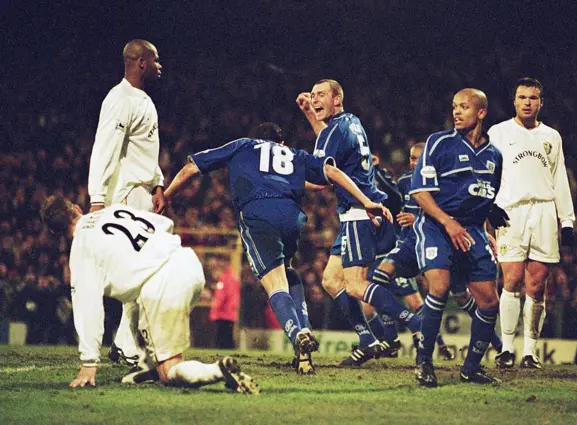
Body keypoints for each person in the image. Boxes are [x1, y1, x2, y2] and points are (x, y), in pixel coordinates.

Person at [164, 122, 393, 374]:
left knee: (274, 283)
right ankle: (304, 328)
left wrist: (166, 195)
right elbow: (330, 174)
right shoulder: (293, 154)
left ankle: (296, 335)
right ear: (280, 142)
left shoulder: (243, 145)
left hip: (258, 212)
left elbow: (191, 168)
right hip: (292, 216)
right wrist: (367, 201)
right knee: (288, 270)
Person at [39, 196, 258, 393]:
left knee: (171, 371)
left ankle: (219, 370)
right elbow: (164, 224)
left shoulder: (81, 245)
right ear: (77, 208)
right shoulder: (114, 210)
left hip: (160, 283)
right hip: (186, 262)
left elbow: (88, 305)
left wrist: (89, 362)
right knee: (135, 300)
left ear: (54, 232)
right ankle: (149, 365)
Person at [297, 80, 423, 366]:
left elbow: (324, 171)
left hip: (359, 212)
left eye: (321, 96)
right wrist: (309, 114)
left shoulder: (337, 128)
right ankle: (368, 340)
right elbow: (330, 149)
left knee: (356, 285)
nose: (315, 100)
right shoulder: (350, 123)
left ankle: (416, 326)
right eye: (312, 95)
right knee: (331, 280)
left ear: (337, 99)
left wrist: (289, 182)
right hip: (359, 212)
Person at [410, 88, 509, 386]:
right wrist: (447, 222)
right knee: (439, 286)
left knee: (490, 301)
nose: (456, 112)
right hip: (436, 225)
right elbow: (420, 192)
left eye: (464, 107)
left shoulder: (495, 156)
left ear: (481, 112)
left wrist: (488, 232)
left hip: (472, 231)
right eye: (454, 106)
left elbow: (483, 200)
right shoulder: (439, 143)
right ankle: (424, 362)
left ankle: (471, 368)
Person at [87, 39, 167, 367]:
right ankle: (128, 345)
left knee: (146, 270)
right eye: (155, 59)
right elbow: (105, 147)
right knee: (141, 270)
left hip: (143, 193)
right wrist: (97, 199)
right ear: (141, 63)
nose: (161, 65)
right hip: (125, 195)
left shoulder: (143, 99)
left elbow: (143, 151)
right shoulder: (119, 99)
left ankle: (125, 344)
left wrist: (159, 183)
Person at [489, 78, 576, 369]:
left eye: (533, 98)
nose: (527, 102)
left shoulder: (552, 136)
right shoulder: (498, 132)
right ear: (514, 101)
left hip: (543, 211)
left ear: (541, 102)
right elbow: (487, 173)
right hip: (510, 212)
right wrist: (488, 206)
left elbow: (559, 178)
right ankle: (506, 349)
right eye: (522, 97)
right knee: (511, 281)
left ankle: (530, 352)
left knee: (537, 285)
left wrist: (567, 221)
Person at [365, 146, 455, 360]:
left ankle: (434, 342)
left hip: (429, 244)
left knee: (422, 301)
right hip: (405, 245)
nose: (414, 162)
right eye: (412, 158)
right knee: (375, 291)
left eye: (418, 158)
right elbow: (393, 194)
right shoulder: (406, 181)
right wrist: (377, 170)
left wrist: (418, 220)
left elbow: (446, 216)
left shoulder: (441, 183)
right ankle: (393, 338)